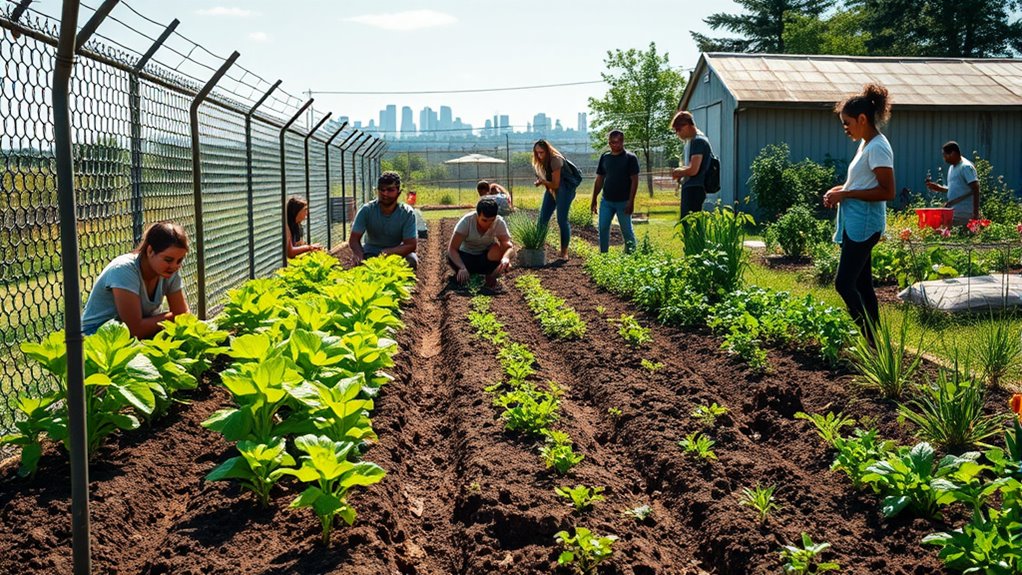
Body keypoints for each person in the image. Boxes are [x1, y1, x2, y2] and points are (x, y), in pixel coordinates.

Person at [822, 83, 895, 343]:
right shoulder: (865, 144)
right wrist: (840, 189)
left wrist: (846, 194)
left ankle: (866, 338)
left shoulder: (878, 147)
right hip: (855, 223)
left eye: (847, 123)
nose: (845, 128)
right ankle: (874, 342)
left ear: (862, 119)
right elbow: (863, 183)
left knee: (844, 284)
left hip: (864, 225)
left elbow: (887, 191)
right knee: (863, 285)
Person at [81, 221, 190, 338]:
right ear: (150, 251)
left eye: (179, 260)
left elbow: (183, 316)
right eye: (168, 259)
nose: (174, 266)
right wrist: (172, 317)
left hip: (132, 340)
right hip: (96, 339)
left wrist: (176, 317)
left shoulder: (168, 271)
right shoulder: (124, 270)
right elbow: (134, 329)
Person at [349, 171, 418, 270]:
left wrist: (388, 252)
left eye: (390, 190)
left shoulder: (407, 213)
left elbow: (411, 245)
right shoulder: (367, 210)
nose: (385, 193)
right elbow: (354, 239)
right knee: (362, 266)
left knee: (411, 260)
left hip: (397, 253)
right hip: (371, 252)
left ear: (398, 192)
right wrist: (359, 255)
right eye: (382, 189)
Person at [448, 197, 514, 291]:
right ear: (477, 215)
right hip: (466, 257)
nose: (488, 224)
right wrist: (462, 267)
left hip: (485, 258)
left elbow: (509, 247)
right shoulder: (467, 221)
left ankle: (490, 276)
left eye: (492, 220)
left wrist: (506, 258)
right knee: (452, 258)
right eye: (484, 220)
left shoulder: (499, 222)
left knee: (497, 248)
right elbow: (452, 249)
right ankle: (465, 276)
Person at [590, 129, 640, 253]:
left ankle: (631, 256)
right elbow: (600, 179)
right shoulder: (605, 157)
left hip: (624, 202)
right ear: (609, 143)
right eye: (612, 142)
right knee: (603, 228)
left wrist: (631, 201)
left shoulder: (630, 158)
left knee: (627, 230)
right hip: (607, 201)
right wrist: (594, 199)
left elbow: (634, 180)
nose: (614, 145)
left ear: (623, 142)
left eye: (617, 142)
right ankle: (604, 256)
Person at [533, 139, 582, 259]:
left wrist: (543, 181)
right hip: (552, 189)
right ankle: (537, 247)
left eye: (542, 152)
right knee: (542, 219)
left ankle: (564, 252)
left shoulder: (555, 160)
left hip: (565, 189)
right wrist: (542, 181)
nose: (539, 155)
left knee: (561, 220)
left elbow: (555, 184)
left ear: (548, 151)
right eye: (537, 153)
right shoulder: (543, 161)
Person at [671, 111, 714, 219]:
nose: (677, 133)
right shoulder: (695, 140)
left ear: (686, 126)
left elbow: (693, 170)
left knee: (689, 224)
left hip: (694, 188)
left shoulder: (698, 141)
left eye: (678, 129)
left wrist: (679, 172)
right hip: (695, 187)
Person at [925, 141, 980, 225]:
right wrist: (939, 188)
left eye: (945, 155)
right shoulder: (952, 167)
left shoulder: (965, 167)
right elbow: (957, 189)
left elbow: (975, 189)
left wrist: (975, 213)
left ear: (953, 153)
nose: (944, 158)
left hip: (964, 213)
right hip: (954, 211)